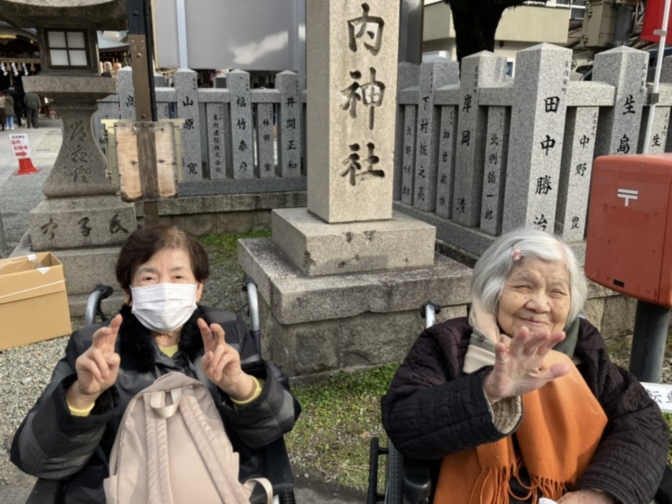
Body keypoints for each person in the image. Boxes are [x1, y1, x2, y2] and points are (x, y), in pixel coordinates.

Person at [11, 224, 300, 503]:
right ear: (129, 292)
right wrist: (81, 397)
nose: (164, 288)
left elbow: (281, 418)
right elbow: (36, 455)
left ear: (198, 288)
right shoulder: (93, 348)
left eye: (178, 276)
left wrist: (241, 386)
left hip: (220, 484)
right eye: (149, 278)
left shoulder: (226, 333)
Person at [381, 228, 668, 504]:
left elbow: (643, 422)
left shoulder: (585, 351)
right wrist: (487, 392)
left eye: (557, 292)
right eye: (523, 286)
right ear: (493, 291)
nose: (540, 304)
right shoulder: (448, 344)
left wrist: (598, 494)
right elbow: (405, 423)